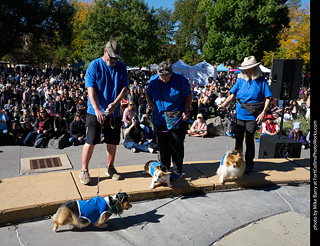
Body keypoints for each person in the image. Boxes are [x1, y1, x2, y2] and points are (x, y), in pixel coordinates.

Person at [80, 41, 128, 185]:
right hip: (94, 111)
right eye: (111, 57)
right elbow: (90, 89)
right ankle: (84, 170)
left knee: (112, 141)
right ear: (105, 51)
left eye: (116, 58)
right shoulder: (94, 65)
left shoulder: (121, 67)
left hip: (113, 112)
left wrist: (115, 104)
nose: (113, 60)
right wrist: (96, 109)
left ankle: (110, 168)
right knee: (91, 140)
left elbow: (124, 88)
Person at [218, 56, 273, 174]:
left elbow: (268, 98)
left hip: (253, 115)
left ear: (255, 69)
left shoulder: (261, 81)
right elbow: (232, 95)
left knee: (249, 140)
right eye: (246, 69)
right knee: (238, 140)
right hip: (240, 115)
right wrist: (223, 104)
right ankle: (238, 162)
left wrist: (263, 113)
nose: (248, 71)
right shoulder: (240, 81)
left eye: (250, 69)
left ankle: (249, 164)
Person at [146, 61, 192, 181]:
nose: (164, 79)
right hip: (159, 118)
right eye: (162, 76)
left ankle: (177, 170)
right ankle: (165, 168)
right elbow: (148, 93)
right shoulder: (153, 80)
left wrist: (186, 110)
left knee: (176, 144)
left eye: (167, 76)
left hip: (176, 117)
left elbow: (188, 95)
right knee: (162, 145)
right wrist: (150, 102)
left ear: (171, 73)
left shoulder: (180, 80)